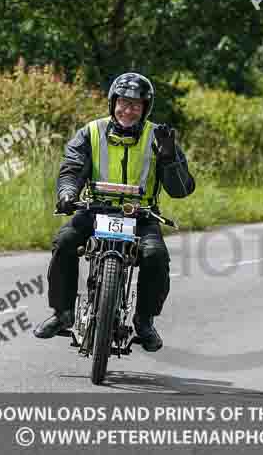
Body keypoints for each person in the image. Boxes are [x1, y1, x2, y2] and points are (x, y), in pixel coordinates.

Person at [33, 72, 195, 351]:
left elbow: (181, 189)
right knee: (64, 242)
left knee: (155, 255)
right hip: (95, 210)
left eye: (135, 105)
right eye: (122, 103)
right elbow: (71, 169)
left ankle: (145, 322)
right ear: (112, 103)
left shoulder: (158, 136)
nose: (128, 110)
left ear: (145, 108)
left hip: (140, 215)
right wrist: (67, 194)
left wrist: (170, 160)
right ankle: (62, 313)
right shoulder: (91, 132)